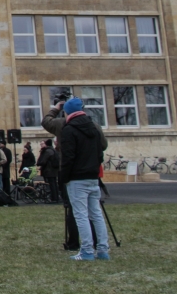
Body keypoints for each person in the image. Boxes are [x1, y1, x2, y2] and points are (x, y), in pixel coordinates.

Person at [59, 97, 111, 261]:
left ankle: (87, 250)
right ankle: (103, 249)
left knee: (81, 215)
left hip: (77, 178)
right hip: (92, 177)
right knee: (96, 214)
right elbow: (100, 153)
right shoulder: (94, 128)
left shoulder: (68, 130)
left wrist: (64, 177)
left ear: (67, 112)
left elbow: (68, 157)